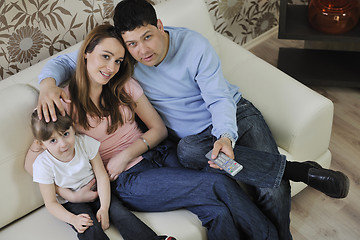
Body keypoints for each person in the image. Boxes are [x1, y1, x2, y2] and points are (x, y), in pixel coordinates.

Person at [35, 1, 350, 239]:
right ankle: (295, 170)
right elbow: (75, 61)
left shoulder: (191, 47)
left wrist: (225, 136)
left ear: (160, 25)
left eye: (147, 37)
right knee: (193, 154)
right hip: (187, 146)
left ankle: (293, 183)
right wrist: (47, 82)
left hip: (232, 116)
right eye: (131, 45)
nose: (141, 51)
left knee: (272, 189)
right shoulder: (119, 63)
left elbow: (218, 98)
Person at [25, 24, 280, 239]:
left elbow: (158, 129)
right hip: (129, 180)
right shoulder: (63, 103)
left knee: (219, 210)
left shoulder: (123, 85)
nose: (111, 67)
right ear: (86, 53)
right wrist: (67, 193)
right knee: (219, 181)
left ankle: (282, 176)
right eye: (105, 56)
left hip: (161, 152)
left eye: (118, 60)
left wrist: (126, 154)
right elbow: (33, 163)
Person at [29, 108, 172, 240]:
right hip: (71, 202)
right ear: (41, 144)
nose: (63, 144)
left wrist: (104, 207)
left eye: (66, 134)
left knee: (119, 212)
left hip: (97, 190)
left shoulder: (84, 143)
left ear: (73, 128)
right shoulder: (43, 165)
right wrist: (72, 219)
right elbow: (51, 203)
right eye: (53, 141)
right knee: (88, 226)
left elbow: (101, 176)